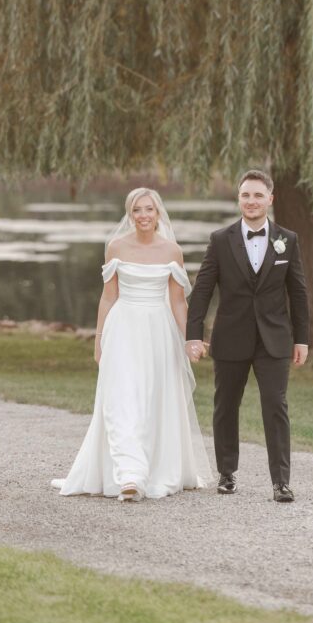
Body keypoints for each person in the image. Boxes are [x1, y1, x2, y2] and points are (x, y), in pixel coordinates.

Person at [51, 188, 212, 501]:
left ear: (158, 213)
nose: (143, 215)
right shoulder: (116, 247)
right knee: (122, 398)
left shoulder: (172, 251)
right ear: (129, 214)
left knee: (151, 397)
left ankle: (153, 467)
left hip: (158, 331)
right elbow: (108, 296)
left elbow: (178, 302)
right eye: (136, 210)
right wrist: (99, 339)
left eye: (148, 209)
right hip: (123, 329)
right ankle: (130, 475)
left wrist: (190, 338)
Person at [185, 169, 310, 502]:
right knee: (226, 405)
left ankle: (281, 481)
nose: (251, 201)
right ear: (238, 199)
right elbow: (202, 290)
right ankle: (227, 473)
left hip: (275, 339)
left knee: (275, 405)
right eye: (245, 195)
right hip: (230, 336)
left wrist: (302, 339)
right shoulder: (220, 240)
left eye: (257, 195)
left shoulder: (288, 240)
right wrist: (193, 335)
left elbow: (298, 292)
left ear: (270, 199)